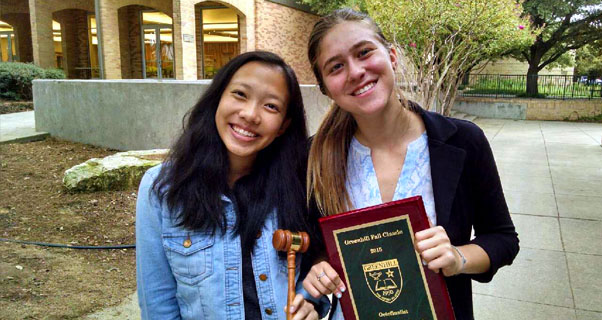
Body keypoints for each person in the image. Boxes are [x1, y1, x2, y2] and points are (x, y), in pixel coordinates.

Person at [301, 8, 519, 320]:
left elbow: (502, 239)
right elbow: (312, 251)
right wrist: (318, 270)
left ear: (391, 56)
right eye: (336, 67)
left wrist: (458, 257)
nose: (355, 71)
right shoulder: (314, 159)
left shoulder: (463, 142)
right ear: (325, 87)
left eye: (364, 52)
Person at [136, 51, 320, 320]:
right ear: (218, 98)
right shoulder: (162, 189)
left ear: (283, 125)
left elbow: (314, 274)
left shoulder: (299, 185)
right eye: (240, 94)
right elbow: (157, 305)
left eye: (271, 106)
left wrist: (310, 303)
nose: (249, 114)